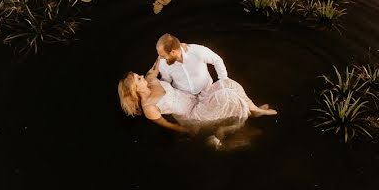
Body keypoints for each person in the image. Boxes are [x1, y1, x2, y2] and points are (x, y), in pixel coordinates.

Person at [117, 56, 277, 140]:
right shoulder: (149, 108)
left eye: (137, 75)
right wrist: (185, 129)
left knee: (227, 84)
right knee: (227, 96)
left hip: (196, 98)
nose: (140, 75)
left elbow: (155, 66)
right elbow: (165, 124)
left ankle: (254, 109)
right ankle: (242, 121)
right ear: (136, 90)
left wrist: (166, 51)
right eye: (137, 78)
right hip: (194, 114)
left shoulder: (150, 80)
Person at [155, 33, 226, 95]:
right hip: (183, 97)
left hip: (207, 91)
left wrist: (223, 81)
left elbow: (217, 60)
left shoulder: (197, 51)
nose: (160, 58)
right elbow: (166, 81)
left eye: (163, 56)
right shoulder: (163, 63)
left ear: (173, 52)